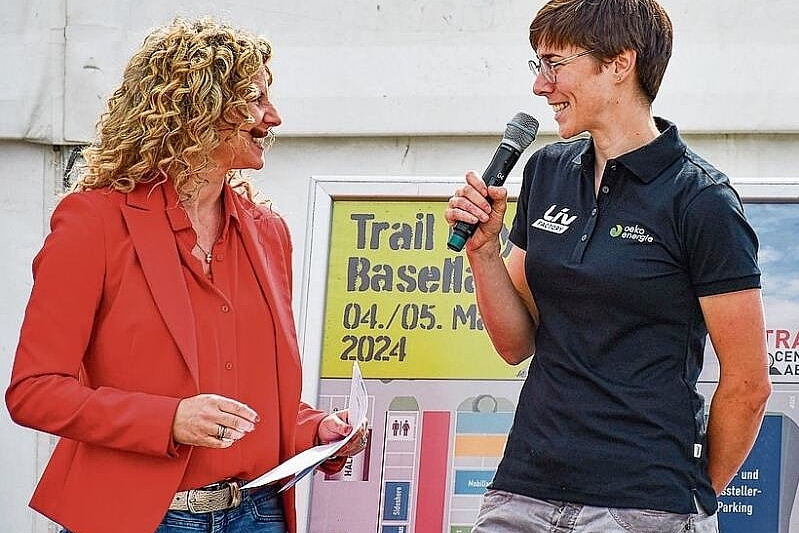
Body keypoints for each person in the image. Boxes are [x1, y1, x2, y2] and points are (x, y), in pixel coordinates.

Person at [5, 18, 367, 533]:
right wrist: (168, 420)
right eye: (254, 99)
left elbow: (255, 399)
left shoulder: (268, 234)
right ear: (198, 110)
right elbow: (34, 391)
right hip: (141, 517)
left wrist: (314, 430)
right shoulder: (94, 223)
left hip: (257, 515)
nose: (274, 116)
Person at [445, 1, 771, 531]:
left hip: (643, 505)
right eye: (538, 66)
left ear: (621, 64)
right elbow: (515, 344)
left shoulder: (701, 199)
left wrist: (683, 499)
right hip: (523, 489)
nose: (540, 86)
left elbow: (749, 383)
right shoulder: (547, 170)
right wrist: (484, 250)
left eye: (555, 64)